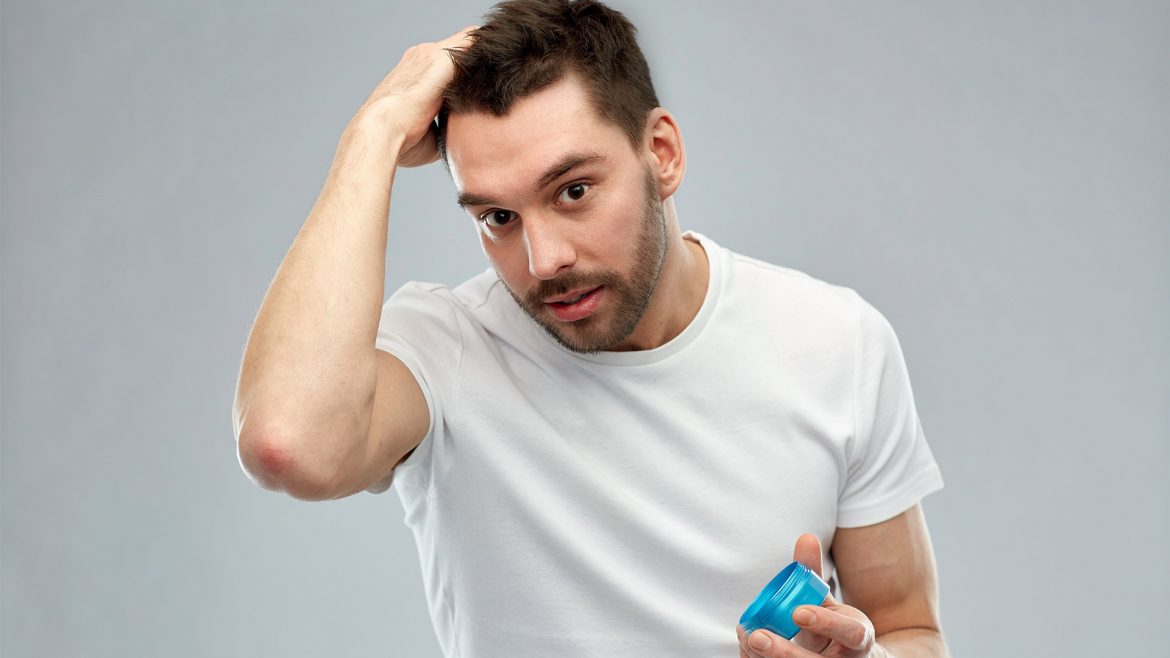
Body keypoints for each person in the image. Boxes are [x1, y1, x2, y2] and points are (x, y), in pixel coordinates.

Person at [232, 1, 950, 656]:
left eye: (573, 191)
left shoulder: (837, 341)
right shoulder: (446, 346)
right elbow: (289, 443)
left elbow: (909, 626)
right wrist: (373, 134)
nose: (544, 262)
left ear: (661, 154)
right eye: (496, 219)